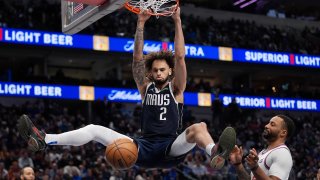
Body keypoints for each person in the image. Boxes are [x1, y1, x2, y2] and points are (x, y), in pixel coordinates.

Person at [17, 8, 236, 169]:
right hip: (142, 148)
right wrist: (140, 24)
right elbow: (137, 59)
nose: (159, 73)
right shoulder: (145, 87)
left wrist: (177, 21)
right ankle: (44, 140)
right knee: (94, 129)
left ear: (170, 72)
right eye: (155, 70)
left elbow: (179, 56)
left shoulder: (177, 89)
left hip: (171, 147)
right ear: (151, 73)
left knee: (199, 127)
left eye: (163, 70)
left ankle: (215, 152)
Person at [229, 114, 295, 180]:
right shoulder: (263, 152)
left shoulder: (282, 153)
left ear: (283, 133)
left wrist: (255, 167)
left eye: (272, 124)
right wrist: (238, 164)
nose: (266, 126)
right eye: (268, 123)